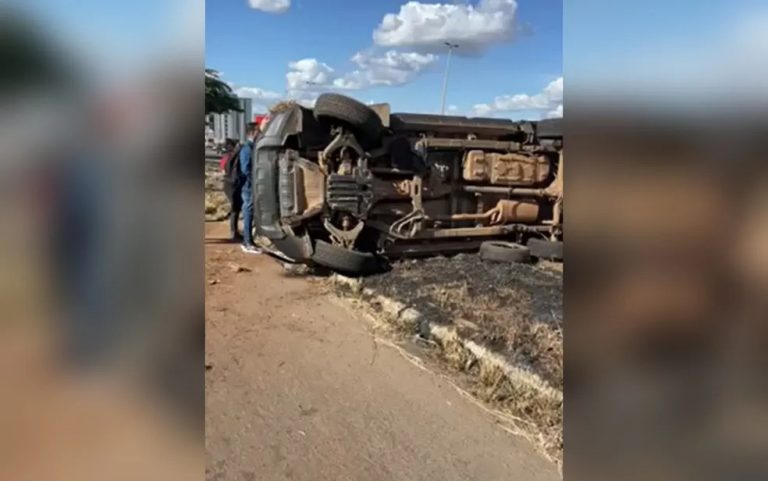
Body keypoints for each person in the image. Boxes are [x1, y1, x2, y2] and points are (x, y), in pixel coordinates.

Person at [239, 123, 262, 254]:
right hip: (248, 187)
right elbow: (245, 169)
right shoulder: (247, 149)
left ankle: (249, 241)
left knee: (250, 212)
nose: (260, 134)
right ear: (252, 132)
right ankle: (247, 242)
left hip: (250, 186)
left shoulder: (251, 147)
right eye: (258, 131)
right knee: (248, 211)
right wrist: (255, 181)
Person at [220, 138, 243, 241]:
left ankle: (234, 230)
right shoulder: (233, 156)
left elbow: (223, 170)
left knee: (235, 208)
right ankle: (234, 232)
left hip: (227, 183)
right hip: (232, 183)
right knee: (235, 208)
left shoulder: (225, 157)